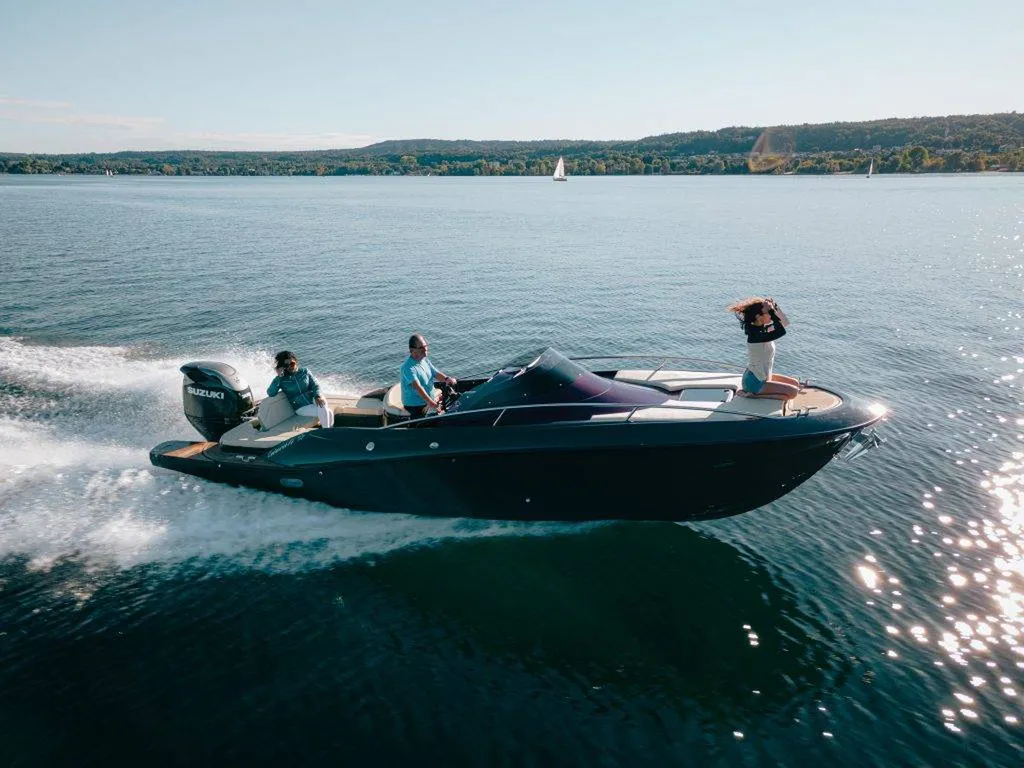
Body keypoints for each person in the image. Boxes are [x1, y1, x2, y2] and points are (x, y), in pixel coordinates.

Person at [726, 297, 802, 399]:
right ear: (758, 317)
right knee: (793, 392)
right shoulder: (756, 336)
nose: (771, 315)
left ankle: (757, 392)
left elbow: (785, 323)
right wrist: (770, 310)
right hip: (755, 381)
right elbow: (781, 332)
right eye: (769, 313)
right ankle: (752, 394)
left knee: (795, 383)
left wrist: (774, 306)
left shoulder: (761, 329)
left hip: (763, 377)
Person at [266, 350, 334, 428]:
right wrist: (279, 377)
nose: (290, 367)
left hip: (314, 398)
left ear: (296, 361)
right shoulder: (281, 379)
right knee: (328, 412)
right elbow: (271, 393)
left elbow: (315, 385)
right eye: (286, 365)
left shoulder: (305, 371)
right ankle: (327, 433)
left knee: (326, 410)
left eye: (292, 363)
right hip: (301, 407)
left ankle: (327, 432)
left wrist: (317, 396)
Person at [401, 334, 457, 419]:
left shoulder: (424, 360)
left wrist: (447, 379)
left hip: (429, 400)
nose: (425, 349)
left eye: (426, 346)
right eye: (421, 347)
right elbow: (418, 387)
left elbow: (435, 373)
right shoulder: (408, 368)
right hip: (416, 406)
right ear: (412, 350)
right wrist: (431, 403)